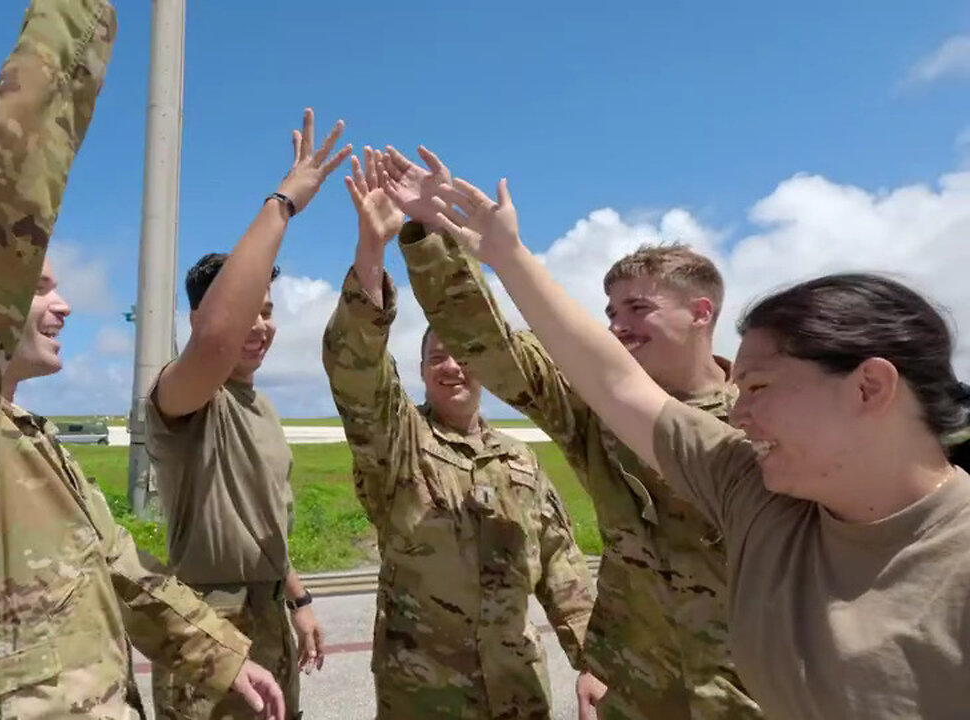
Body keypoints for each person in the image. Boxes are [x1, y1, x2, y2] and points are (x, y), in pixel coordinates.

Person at [0, 2, 285, 718]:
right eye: (36, 285)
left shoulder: (27, 444)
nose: (64, 303)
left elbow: (119, 569)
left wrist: (219, 652)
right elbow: (1, 201)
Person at [413, 170, 970, 719]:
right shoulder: (750, 480)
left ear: (870, 388)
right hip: (638, 688)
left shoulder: (771, 471)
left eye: (759, 388)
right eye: (611, 313)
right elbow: (603, 379)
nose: (743, 414)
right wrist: (481, 251)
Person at [381, 147, 762, 719]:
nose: (617, 326)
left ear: (701, 312)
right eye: (610, 311)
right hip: (634, 692)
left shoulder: (766, 419)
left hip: (748, 696)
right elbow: (489, 343)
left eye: (638, 308)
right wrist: (431, 235)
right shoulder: (592, 410)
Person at [321, 148, 596, 719]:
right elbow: (358, 376)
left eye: (461, 355)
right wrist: (370, 252)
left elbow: (563, 569)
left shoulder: (520, 461)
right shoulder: (399, 445)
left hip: (518, 694)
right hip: (425, 699)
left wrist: (592, 661)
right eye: (436, 357)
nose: (452, 366)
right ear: (421, 371)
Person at [144, 108, 350, 720]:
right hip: (208, 616)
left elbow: (266, 526)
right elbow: (213, 340)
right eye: (246, 310)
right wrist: (282, 204)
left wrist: (297, 597)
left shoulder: (262, 407)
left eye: (267, 310)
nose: (259, 325)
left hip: (268, 609)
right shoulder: (181, 396)